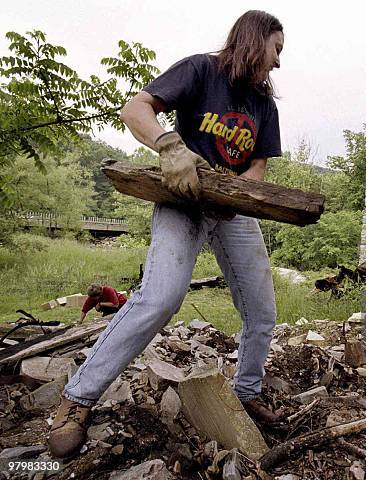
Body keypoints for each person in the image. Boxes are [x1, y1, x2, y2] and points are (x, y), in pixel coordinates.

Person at [48, 10, 284, 458]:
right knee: (161, 297)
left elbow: (257, 167)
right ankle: (77, 398)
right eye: (276, 49)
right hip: (182, 201)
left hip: (230, 210)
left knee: (262, 308)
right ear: (255, 41)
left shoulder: (263, 104)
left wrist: (239, 196)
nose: (278, 62)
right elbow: (135, 108)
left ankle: (247, 390)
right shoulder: (200, 69)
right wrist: (169, 146)